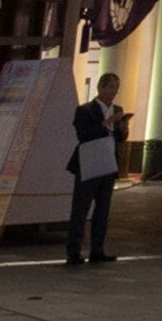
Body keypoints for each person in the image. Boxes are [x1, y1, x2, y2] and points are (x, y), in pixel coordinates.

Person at [64, 72, 129, 267]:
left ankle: (97, 249)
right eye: (110, 88)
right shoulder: (85, 110)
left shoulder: (117, 109)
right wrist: (106, 124)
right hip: (89, 164)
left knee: (103, 209)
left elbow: (119, 138)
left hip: (108, 165)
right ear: (100, 88)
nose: (113, 93)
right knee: (81, 209)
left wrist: (122, 127)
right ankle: (73, 251)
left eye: (116, 89)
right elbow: (83, 135)